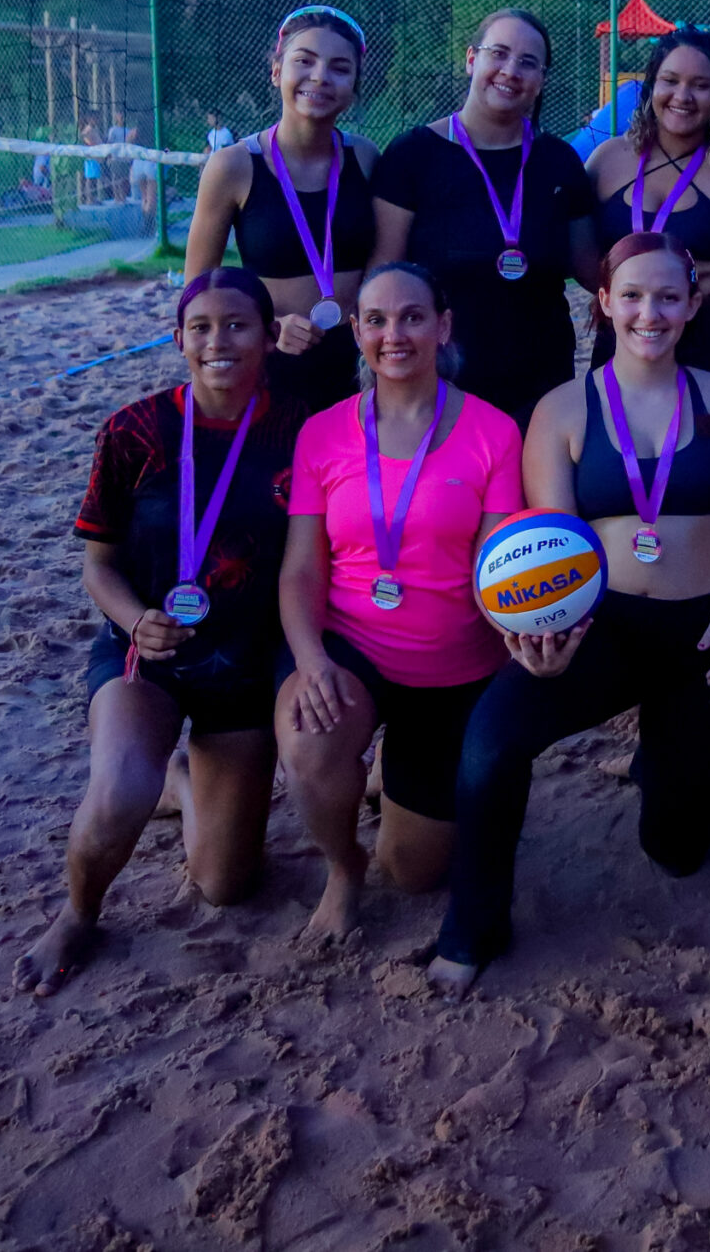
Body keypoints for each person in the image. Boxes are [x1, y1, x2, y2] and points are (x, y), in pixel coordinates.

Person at [430, 231, 710, 992]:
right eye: (633, 296)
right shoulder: (562, 409)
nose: (651, 313)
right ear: (605, 302)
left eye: (669, 297)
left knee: (677, 849)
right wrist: (538, 636)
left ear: (694, 304)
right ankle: (472, 928)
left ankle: (659, 762)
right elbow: (548, 547)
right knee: (491, 743)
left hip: (705, 629)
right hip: (598, 627)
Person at [16, 268, 302, 995]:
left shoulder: (302, 432)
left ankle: (182, 781)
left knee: (226, 885)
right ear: (178, 339)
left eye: (236, 324)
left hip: (244, 665)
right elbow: (98, 565)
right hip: (145, 654)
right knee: (119, 791)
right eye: (200, 326)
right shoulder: (134, 429)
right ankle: (79, 913)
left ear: (270, 336)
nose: (217, 340)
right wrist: (134, 620)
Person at [274, 262, 527, 943]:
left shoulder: (494, 432)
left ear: (442, 326)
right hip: (352, 647)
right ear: (356, 332)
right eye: (377, 320)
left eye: (412, 317)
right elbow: (301, 569)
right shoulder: (322, 432)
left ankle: (393, 776)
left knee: (415, 872)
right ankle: (343, 867)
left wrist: (525, 632)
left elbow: (496, 565)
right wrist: (310, 660)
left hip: (454, 666)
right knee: (309, 740)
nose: (395, 334)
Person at [373, 9, 599, 425]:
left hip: (541, 386)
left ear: (541, 80)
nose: (510, 71)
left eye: (528, 62)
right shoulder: (412, 156)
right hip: (442, 383)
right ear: (471, 59)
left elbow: (592, 270)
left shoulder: (559, 162)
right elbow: (383, 275)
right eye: (499, 53)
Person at [186, 6, 381, 420]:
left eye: (340, 68)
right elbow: (197, 290)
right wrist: (270, 326)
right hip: (270, 363)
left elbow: (384, 265)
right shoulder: (232, 166)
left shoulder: (365, 158)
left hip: (358, 366)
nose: (320, 77)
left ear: (354, 86)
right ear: (276, 71)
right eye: (304, 61)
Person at [586, 27, 710, 378]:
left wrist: (706, 272)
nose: (682, 96)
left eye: (700, 85)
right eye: (670, 81)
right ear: (651, 86)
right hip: (625, 341)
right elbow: (581, 259)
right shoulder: (607, 162)